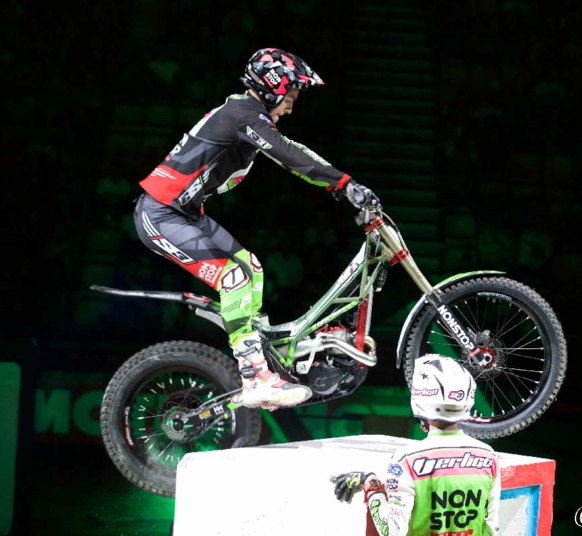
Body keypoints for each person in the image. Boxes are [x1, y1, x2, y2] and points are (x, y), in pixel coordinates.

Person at [131, 47, 379, 409]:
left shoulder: (245, 115)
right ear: (272, 87)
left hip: (184, 213)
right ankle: (255, 377)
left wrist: (346, 182)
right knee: (236, 278)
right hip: (161, 214)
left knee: (252, 267)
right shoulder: (242, 114)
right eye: (290, 96)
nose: (291, 107)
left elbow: (294, 148)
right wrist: (342, 184)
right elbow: (286, 155)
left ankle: (264, 358)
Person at [330, 354, 501, 536]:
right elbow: (491, 527)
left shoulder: (407, 460)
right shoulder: (488, 457)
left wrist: (371, 485)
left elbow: (392, 531)